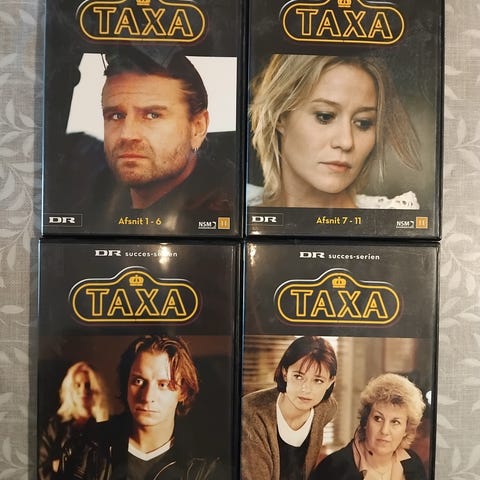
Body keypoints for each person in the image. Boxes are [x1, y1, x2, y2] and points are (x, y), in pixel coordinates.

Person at [77, 46, 234, 222]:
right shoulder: (90, 198)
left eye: (152, 115)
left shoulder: (233, 205)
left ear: (198, 127)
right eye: (116, 116)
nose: (127, 134)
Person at [247, 54, 421, 209]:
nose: (346, 142)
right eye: (325, 116)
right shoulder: (240, 209)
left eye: (363, 123)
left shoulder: (395, 217)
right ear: (280, 117)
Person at [57, 334, 221, 479]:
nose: (147, 397)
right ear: (126, 385)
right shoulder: (84, 450)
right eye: (139, 381)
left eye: (163, 384)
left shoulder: (204, 466)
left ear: (182, 392)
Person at [241, 336, 337, 480]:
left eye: (318, 380)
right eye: (298, 376)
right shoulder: (252, 413)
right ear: (285, 373)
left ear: (330, 382)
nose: (306, 389)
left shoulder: (326, 408)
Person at [309, 373, 427, 480]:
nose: (384, 430)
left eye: (395, 422)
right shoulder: (334, 468)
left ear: (406, 429)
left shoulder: (413, 464)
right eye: (378, 418)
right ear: (365, 421)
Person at [38, 361, 110, 480]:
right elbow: (41, 467)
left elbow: (107, 464)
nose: (83, 390)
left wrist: (101, 417)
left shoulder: (105, 422)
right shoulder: (55, 425)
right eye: (77, 385)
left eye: (88, 385)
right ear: (70, 389)